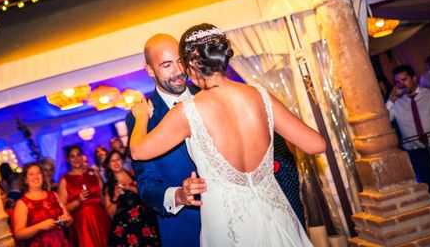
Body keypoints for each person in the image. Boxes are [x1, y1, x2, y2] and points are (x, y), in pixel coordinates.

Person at [130, 24, 326, 246]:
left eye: (181, 63)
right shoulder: (260, 95)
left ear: (192, 64)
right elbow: (316, 144)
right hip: (277, 217)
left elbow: (137, 151)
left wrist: (141, 118)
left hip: (229, 227)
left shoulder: (189, 110)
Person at [125, 33, 204, 247]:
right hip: (187, 228)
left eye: (180, 61)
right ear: (150, 70)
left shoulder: (209, 94)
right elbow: (146, 184)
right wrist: (179, 195)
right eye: (167, 65)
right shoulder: (141, 117)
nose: (179, 71)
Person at [386, 64, 430, 204]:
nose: (401, 84)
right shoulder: (396, 103)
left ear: (414, 78)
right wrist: (391, 100)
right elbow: (384, 121)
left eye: (405, 79)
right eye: (398, 82)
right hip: (417, 154)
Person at [102, 150, 159, 247]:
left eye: (118, 159)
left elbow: (147, 196)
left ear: (123, 161)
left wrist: (130, 187)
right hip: (125, 227)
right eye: (112, 161)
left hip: (144, 221)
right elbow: (110, 214)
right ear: (108, 165)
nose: (116, 163)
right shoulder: (108, 187)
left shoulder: (135, 175)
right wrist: (115, 197)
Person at [57, 145, 110, 247]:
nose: (76, 159)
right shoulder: (64, 180)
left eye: (78, 155)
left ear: (82, 156)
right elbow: (62, 210)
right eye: (72, 156)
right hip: (81, 224)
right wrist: (78, 200)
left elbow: (104, 198)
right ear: (68, 159)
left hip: (100, 220)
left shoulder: (93, 173)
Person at [12, 163, 71, 247]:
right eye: (31, 174)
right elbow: (18, 235)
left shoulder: (53, 195)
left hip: (61, 242)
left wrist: (66, 220)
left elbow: (69, 220)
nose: (36, 177)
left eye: (38, 173)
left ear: (42, 176)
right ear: (25, 180)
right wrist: (39, 226)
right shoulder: (22, 203)